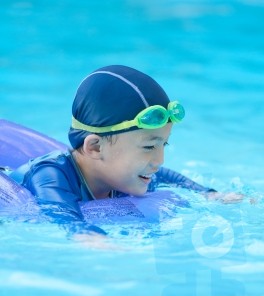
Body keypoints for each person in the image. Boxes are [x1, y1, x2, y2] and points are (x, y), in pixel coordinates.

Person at [10, 65, 241, 233]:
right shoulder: (50, 173)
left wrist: (209, 193)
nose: (159, 159)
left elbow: (167, 176)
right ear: (95, 147)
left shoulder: (122, 174)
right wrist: (86, 235)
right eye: (149, 146)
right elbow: (59, 213)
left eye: (164, 144)